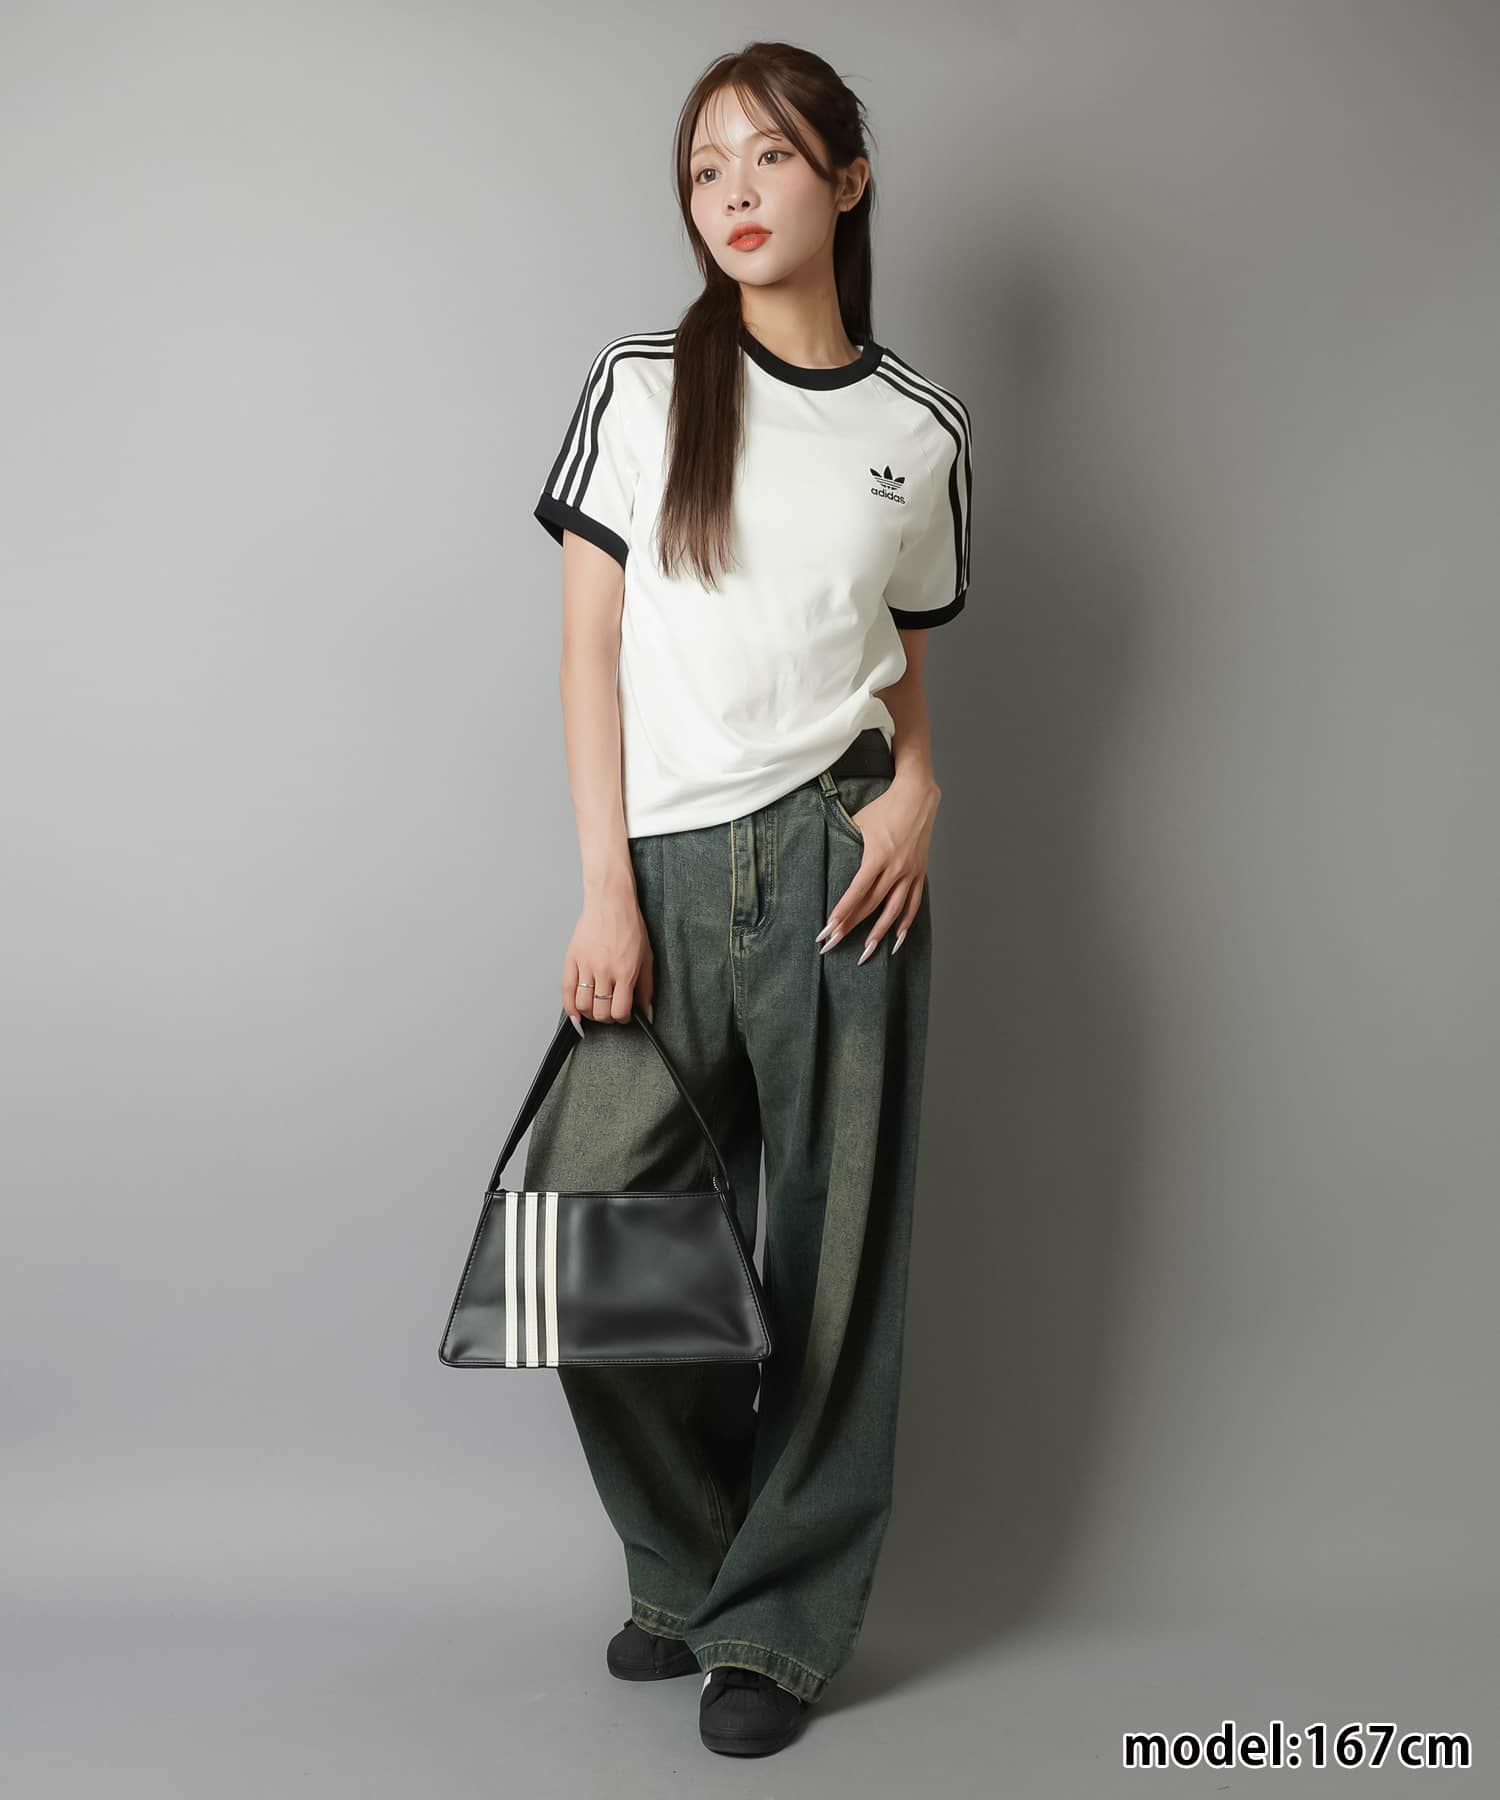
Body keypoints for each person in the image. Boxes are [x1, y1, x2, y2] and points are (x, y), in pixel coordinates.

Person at [521, 39, 973, 1758]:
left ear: (847, 180)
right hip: (663, 869)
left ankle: (777, 1628)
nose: (733, 191)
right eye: (706, 166)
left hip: (848, 867)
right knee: (592, 1231)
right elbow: (587, 651)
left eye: (769, 157)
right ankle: (697, 1559)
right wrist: (604, 887)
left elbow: (898, 665)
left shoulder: (918, 430)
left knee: (836, 1256)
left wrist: (921, 788)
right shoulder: (642, 387)